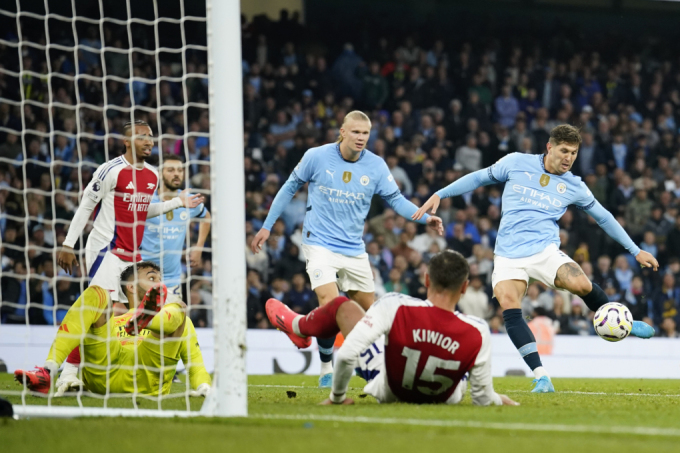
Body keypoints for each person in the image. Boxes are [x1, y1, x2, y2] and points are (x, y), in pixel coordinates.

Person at [413, 124, 658, 393]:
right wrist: (441, 193)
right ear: (550, 147)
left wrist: (635, 250)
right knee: (509, 304)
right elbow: (479, 178)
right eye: (564, 151)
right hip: (507, 255)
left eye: (574, 153)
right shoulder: (516, 162)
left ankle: (622, 320)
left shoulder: (575, 186)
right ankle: (541, 376)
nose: (569, 158)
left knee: (582, 285)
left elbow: (604, 218)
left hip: (544, 251)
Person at [251, 110, 443, 388]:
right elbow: (288, 188)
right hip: (319, 243)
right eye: (355, 132)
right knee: (331, 305)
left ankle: (299, 327)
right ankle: (327, 366)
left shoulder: (376, 166)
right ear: (342, 132)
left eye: (365, 133)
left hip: (354, 249)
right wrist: (267, 226)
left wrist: (426, 218)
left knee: (370, 316)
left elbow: (397, 201)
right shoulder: (316, 156)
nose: (361, 138)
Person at [54, 120, 204, 394]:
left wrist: (177, 203)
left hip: (133, 254)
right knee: (98, 308)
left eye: (151, 137)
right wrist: (67, 243)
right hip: (105, 249)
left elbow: (142, 211)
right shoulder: (111, 170)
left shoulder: (151, 176)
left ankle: (113, 368)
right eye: (142, 137)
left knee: (129, 312)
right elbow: (87, 204)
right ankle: (67, 373)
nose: (149, 141)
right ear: (126, 141)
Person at [266, 250, 518, 406]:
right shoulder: (478, 329)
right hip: (446, 395)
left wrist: (337, 398)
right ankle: (297, 326)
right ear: (464, 288)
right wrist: (498, 399)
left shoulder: (397, 305)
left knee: (343, 305)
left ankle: (297, 325)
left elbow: (345, 355)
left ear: (427, 280)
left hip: (389, 389)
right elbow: (482, 398)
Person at [14, 261, 211, 397]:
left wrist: (204, 387)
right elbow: (77, 340)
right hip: (106, 370)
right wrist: (69, 373)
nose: (159, 283)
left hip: (146, 374)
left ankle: (148, 320)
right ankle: (47, 371)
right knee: (97, 293)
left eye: (160, 279)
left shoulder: (174, 318)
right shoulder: (112, 319)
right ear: (131, 287)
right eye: (152, 278)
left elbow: (196, 364)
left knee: (178, 308)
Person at [141, 154, 211, 304]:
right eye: (171, 170)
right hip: (143, 276)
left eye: (180, 170)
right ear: (159, 174)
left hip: (172, 281)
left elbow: (206, 217)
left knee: (175, 323)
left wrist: (199, 247)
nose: (176, 174)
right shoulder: (147, 199)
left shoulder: (189, 200)